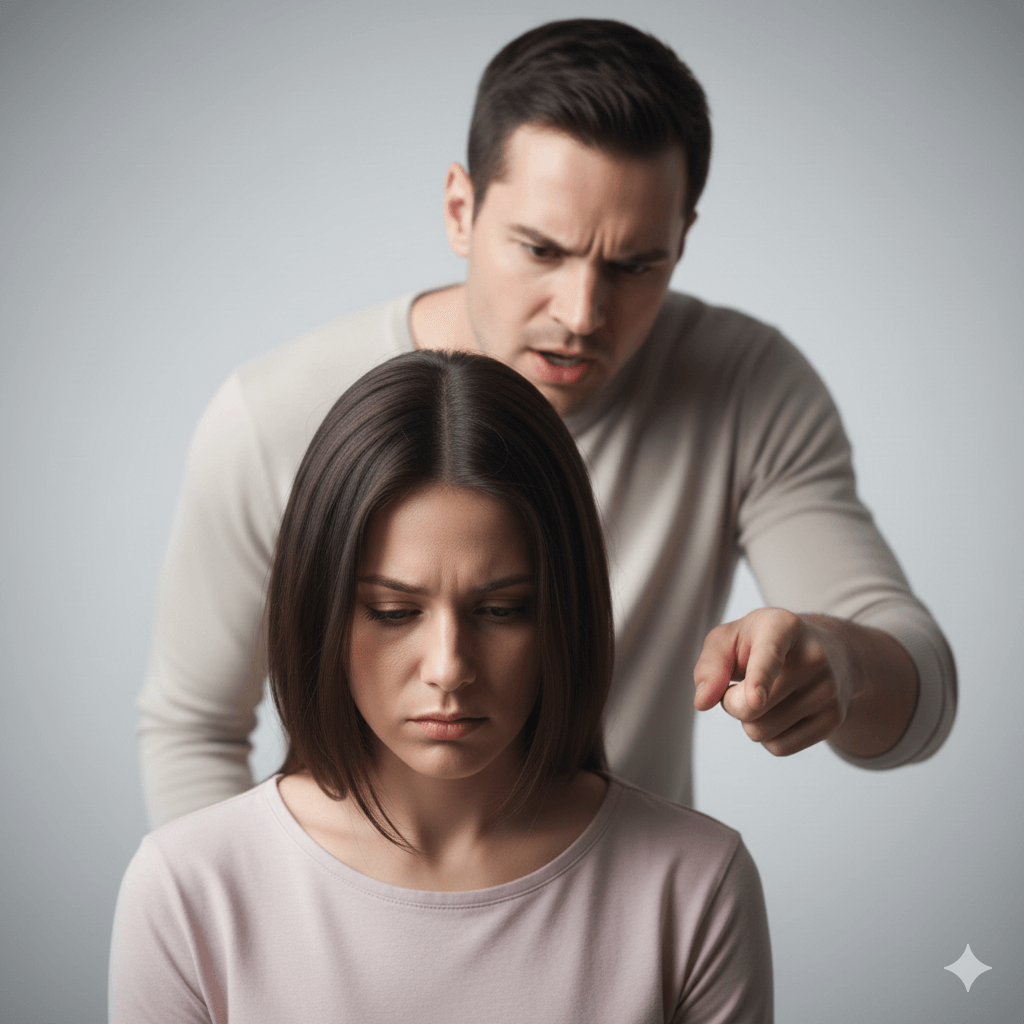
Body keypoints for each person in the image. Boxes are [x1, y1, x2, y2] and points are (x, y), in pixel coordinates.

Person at [138, 18, 956, 827]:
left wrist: (839, 665)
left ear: (684, 238)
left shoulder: (746, 385)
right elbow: (194, 729)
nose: (581, 314)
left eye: (636, 265)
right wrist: (263, 940)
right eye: (540, 250)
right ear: (460, 208)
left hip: (628, 930)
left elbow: (916, 693)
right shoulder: (275, 413)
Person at [111, 351, 774, 1023]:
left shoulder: (695, 883)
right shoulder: (186, 888)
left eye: (502, 610)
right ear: (321, 611)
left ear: (563, 615)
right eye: (394, 613)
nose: (449, 667)